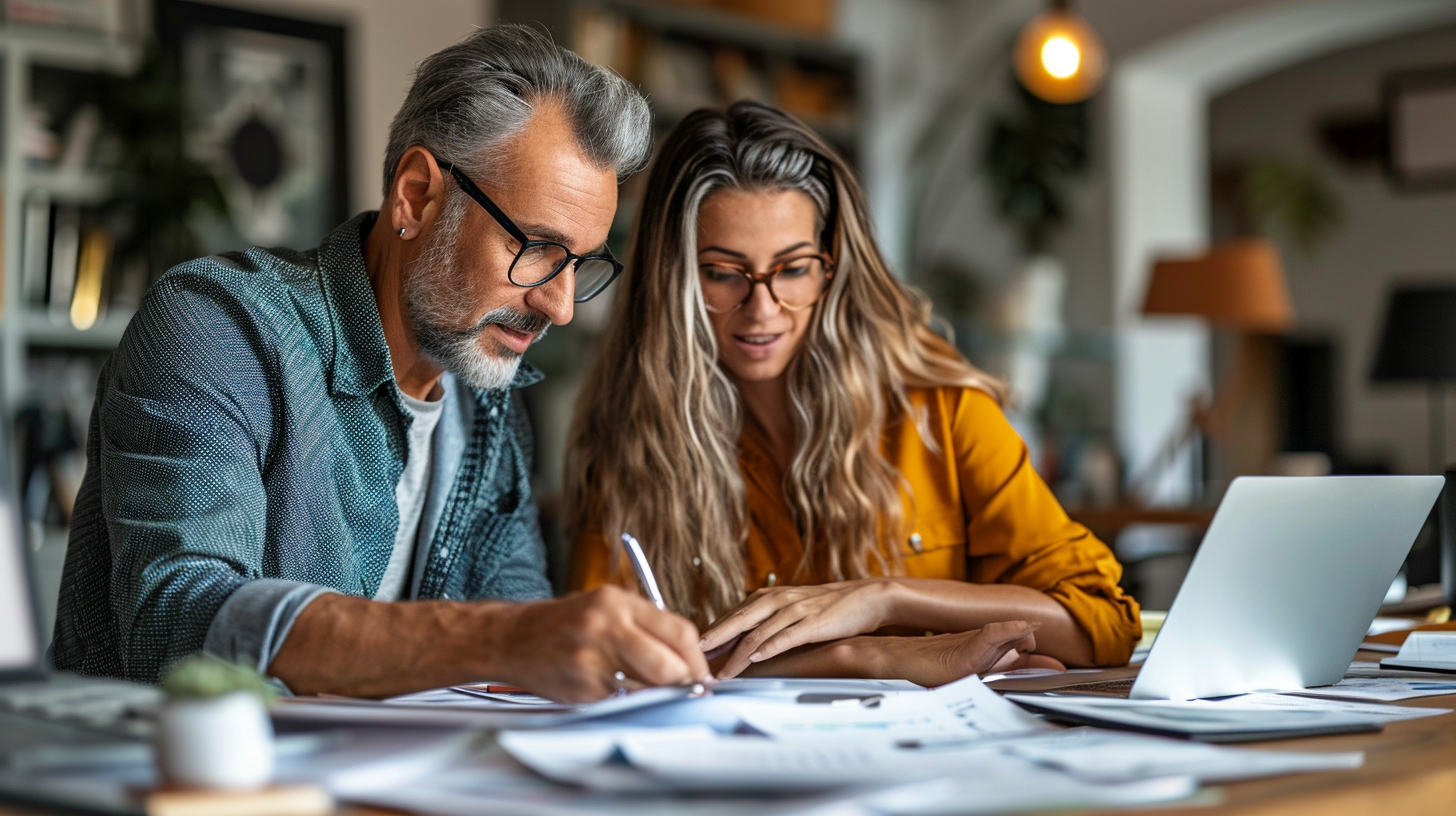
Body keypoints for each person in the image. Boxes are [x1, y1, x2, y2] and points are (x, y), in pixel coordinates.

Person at [51, 25, 712, 703]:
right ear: (417, 195)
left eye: (579, 262)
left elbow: (525, 677)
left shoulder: (488, 408)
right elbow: (180, 629)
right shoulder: (217, 328)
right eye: (537, 247)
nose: (561, 306)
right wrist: (497, 639)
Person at [567, 101, 1141, 686]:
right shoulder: (631, 445)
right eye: (722, 273)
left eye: (792, 269)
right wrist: (866, 656)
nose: (762, 309)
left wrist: (886, 600)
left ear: (831, 269)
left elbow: (1103, 623)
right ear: (674, 276)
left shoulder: (937, 410)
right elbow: (605, 660)